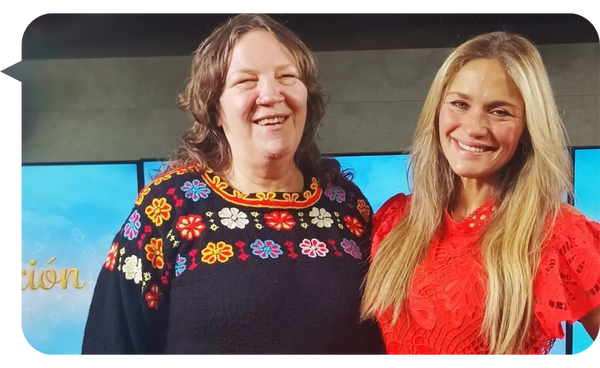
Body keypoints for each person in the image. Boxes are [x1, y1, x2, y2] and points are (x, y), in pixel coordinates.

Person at [81, 11, 384, 358]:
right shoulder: (167, 207)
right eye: (246, 81)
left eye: (287, 76)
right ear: (215, 109)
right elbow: (111, 344)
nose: (271, 94)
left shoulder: (347, 206)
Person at [360, 31, 600, 358]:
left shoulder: (559, 235)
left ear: (527, 128)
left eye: (499, 111)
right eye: (460, 104)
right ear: (437, 111)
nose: (474, 127)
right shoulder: (396, 221)